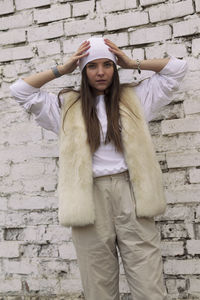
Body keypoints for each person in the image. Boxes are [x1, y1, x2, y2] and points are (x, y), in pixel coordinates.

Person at [10, 37, 187, 300]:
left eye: (108, 64)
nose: (101, 72)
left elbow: (177, 69)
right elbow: (20, 90)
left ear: (116, 68)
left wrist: (131, 62)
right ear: (83, 71)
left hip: (132, 193)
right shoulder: (66, 106)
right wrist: (64, 68)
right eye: (92, 66)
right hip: (89, 199)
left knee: (149, 282)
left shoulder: (135, 98)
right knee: (98, 285)